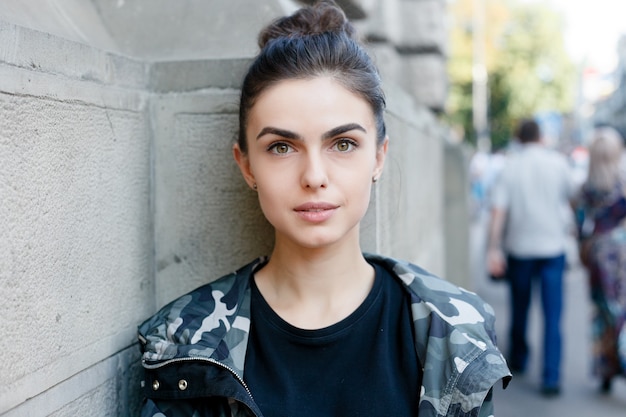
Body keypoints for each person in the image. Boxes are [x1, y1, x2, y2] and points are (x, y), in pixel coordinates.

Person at [137, 2, 511, 416]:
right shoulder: (184, 344)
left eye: (343, 144)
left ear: (379, 157)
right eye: (281, 147)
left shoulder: (456, 331)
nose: (314, 175)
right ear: (246, 165)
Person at [487, 118, 575, 397]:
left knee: (520, 308)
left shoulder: (510, 167)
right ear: (541, 137)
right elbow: (571, 200)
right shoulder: (559, 164)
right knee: (553, 315)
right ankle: (551, 377)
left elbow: (498, 211)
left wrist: (493, 248)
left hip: (520, 248)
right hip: (553, 248)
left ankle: (520, 360)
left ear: (518, 137)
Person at [574, 126, 626, 394]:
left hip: (598, 253)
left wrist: (584, 248)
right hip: (622, 252)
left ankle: (606, 368)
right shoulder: (622, 184)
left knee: (602, 313)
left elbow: (580, 223)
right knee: (621, 310)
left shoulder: (587, 187)